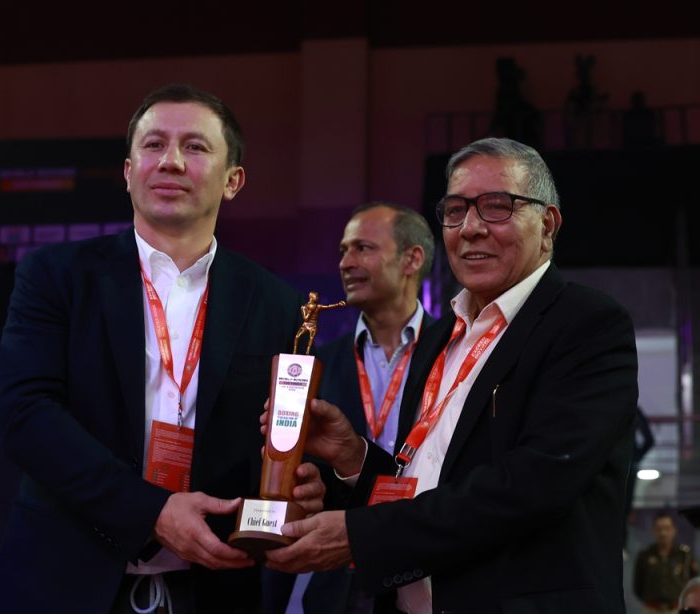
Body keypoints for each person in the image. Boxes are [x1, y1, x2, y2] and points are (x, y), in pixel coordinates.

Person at [0, 83, 324, 614]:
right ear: (128, 172)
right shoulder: (56, 276)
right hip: (63, 580)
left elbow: (279, 437)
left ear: (233, 180)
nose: (171, 161)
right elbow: (25, 416)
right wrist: (152, 512)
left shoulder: (278, 304)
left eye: (195, 147)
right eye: (154, 144)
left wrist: (301, 486)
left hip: (215, 588)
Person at [265, 137, 639, 613]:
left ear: (547, 225)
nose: (471, 228)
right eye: (456, 210)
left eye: (497, 206)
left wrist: (361, 535)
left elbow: (533, 484)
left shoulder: (586, 324)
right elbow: (425, 485)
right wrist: (354, 457)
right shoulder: (441, 337)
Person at [267, 203, 436, 613]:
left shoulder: (453, 353)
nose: (346, 263)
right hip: (335, 584)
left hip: (427, 573)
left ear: (412, 259)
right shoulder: (314, 365)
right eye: (343, 251)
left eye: (363, 248)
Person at [634, 511, 698, 614]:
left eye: (667, 528)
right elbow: (638, 587)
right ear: (653, 530)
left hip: (677, 609)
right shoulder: (645, 555)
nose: (663, 533)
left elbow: (693, 583)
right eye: (659, 529)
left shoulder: (685, 554)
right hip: (651, 610)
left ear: (674, 530)